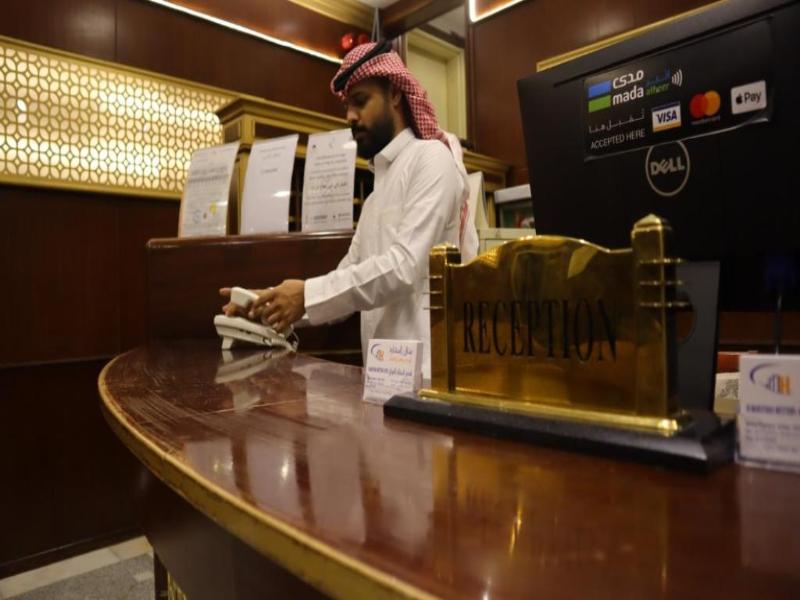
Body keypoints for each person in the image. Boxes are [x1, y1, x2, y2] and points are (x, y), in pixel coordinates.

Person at [221, 40, 478, 377]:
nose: (349, 117)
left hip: (429, 379)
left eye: (360, 101)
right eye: (347, 106)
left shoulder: (431, 159)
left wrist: (305, 296)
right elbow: (345, 282)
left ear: (395, 94)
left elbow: (404, 267)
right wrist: (269, 305)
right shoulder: (374, 199)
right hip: (383, 379)